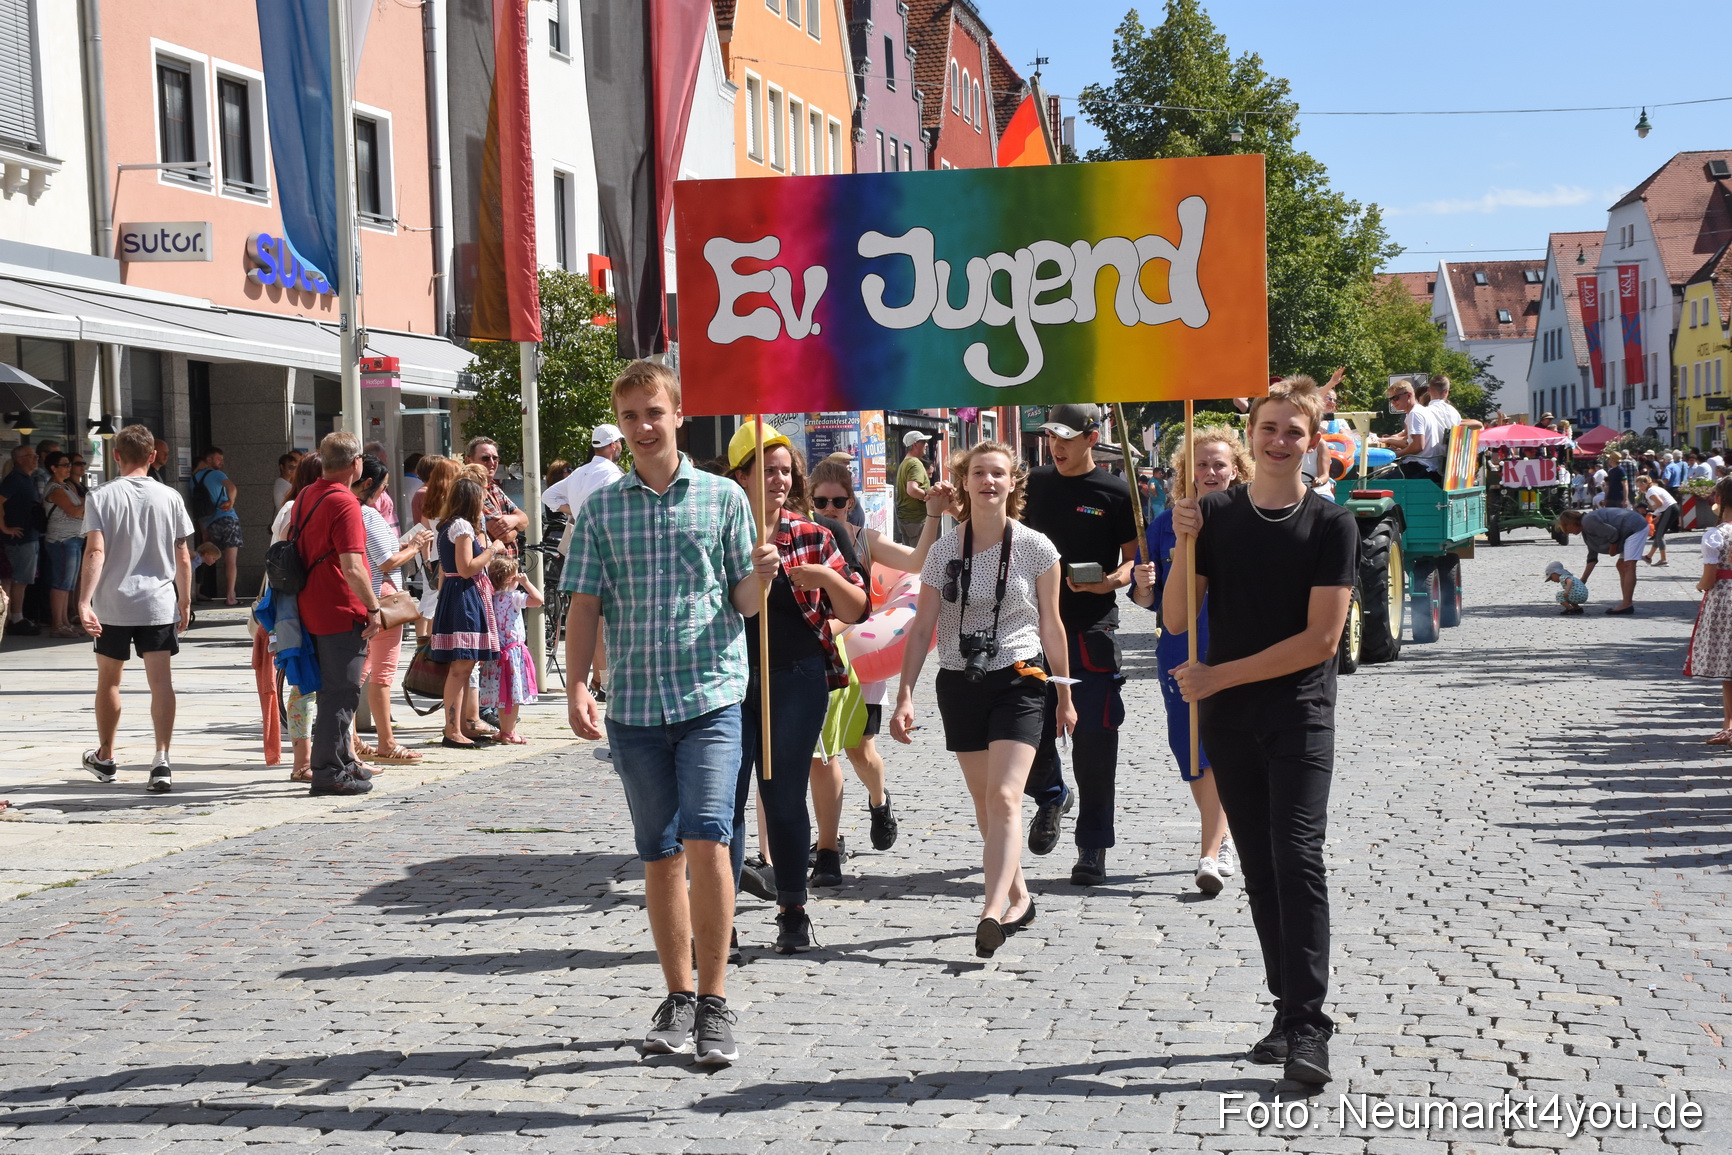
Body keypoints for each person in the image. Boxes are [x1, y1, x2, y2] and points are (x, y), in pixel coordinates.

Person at [562, 360, 777, 1066]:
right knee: (658, 851)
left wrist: (762, 577)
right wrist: (575, 687)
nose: (643, 427)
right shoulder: (602, 509)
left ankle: (714, 1000)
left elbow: (743, 604)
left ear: (678, 414)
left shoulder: (722, 499)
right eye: (630, 417)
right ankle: (677, 993)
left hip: (711, 696)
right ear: (619, 427)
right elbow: (585, 605)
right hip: (637, 708)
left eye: (654, 412)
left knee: (709, 839)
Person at [1163, 377, 1357, 1087]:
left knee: (1297, 855)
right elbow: (1178, 620)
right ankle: (1286, 1008)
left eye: (1293, 431)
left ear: (1312, 441)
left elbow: (1321, 640)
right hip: (1230, 720)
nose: (1279, 441)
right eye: (1269, 428)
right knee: (1258, 867)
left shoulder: (1331, 523)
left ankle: (1309, 1024)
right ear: (1253, 435)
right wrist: (1185, 541)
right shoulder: (1213, 513)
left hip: (1298, 711)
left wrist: (1220, 676)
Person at [891, 440, 1072, 959]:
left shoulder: (1037, 547)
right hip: (959, 682)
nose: (988, 481)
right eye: (978, 474)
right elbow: (922, 623)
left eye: (998, 473)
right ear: (963, 483)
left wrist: (1063, 693)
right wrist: (905, 694)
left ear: (1013, 482)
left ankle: (990, 911)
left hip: (1020, 677)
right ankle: (1019, 896)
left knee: (1007, 797)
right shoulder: (945, 550)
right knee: (983, 801)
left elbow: (1052, 624)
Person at [726, 422, 868, 951]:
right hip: (729, 681)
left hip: (797, 678)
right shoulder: (721, 531)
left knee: (783, 795)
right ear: (740, 475)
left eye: (786, 471)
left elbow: (857, 607)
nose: (779, 480)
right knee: (724, 801)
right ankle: (724, 924)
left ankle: (792, 910)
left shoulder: (812, 535)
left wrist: (827, 579)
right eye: (766, 471)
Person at [802, 460, 953, 878]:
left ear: (850, 503)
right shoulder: (800, 538)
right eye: (820, 501)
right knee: (818, 753)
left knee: (859, 751)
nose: (829, 508)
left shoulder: (863, 541)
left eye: (838, 501)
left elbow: (918, 559)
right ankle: (825, 842)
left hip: (861, 653)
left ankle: (878, 798)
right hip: (812, 656)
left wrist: (933, 515)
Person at [1131, 426, 1256, 894]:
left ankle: (1212, 848)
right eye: (1200, 464)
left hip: (1231, 651)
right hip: (1178, 651)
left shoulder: (1248, 518)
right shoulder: (1165, 524)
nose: (1210, 472)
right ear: (1187, 472)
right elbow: (1151, 603)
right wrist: (1143, 584)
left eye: (1219, 464)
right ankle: (1222, 835)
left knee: (1217, 749)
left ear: (1236, 469)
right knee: (1190, 751)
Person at [1019, 404, 1138, 885]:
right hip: (1027, 628)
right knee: (1023, 733)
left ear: (1093, 438)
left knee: (1093, 741)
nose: (1057, 446)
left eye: (1067, 437)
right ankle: (1051, 796)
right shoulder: (1034, 486)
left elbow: (1133, 561)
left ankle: (1092, 846)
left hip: (1091, 629)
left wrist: (1107, 581)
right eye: (1051, 436)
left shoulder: (1114, 491)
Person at [76, 424, 195, 793]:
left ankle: (107, 756)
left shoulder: (100, 495)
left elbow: (96, 550)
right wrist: (185, 598)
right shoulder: (170, 497)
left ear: (116, 455)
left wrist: (83, 600)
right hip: (158, 602)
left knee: (109, 680)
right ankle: (161, 759)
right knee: (161, 682)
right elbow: (183, 555)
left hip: (112, 603)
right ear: (153, 456)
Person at [293, 431, 388, 796]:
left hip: (311, 605)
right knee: (340, 691)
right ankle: (329, 772)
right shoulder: (345, 503)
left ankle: (343, 761)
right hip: (339, 608)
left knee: (335, 690)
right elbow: (352, 566)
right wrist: (373, 607)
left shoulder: (306, 494)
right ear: (356, 464)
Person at [353, 454, 433, 765]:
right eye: (384, 487)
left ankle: (353, 738)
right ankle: (386, 741)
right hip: (383, 598)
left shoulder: (347, 511)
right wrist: (414, 547)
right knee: (381, 672)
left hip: (362, 595)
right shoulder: (368, 515)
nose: (385, 494)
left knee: (360, 671)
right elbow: (385, 562)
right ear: (370, 484)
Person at [429, 475, 502, 748]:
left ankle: (459, 726)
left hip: (457, 594)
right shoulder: (461, 526)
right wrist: (493, 549)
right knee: (461, 666)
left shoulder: (449, 524)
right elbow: (466, 567)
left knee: (464, 665)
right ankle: (452, 730)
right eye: (482, 498)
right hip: (464, 595)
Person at [480, 553, 542, 744]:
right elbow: (538, 600)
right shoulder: (514, 597)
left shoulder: (489, 598)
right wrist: (526, 583)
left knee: (501, 694)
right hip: (513, 653)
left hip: (496, 653)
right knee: (513, 696)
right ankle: (510, 732)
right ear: (510, 579)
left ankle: (504, 730)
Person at [1688, 477, 1732, 743]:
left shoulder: (1716, 535)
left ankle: (1729, 725)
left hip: (1725, 601)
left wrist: (1699, 586)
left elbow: (1708, 579)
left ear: (1719, 499)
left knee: (1728, 668)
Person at [1555, 505, 1648, 614]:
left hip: (1635, 526)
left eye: (1566, 528)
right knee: (1621, 565)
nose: (1566, 532)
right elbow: (1592, 558)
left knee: (1628, 565)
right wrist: (1582, 581)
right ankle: (1626, 603)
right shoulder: (1586, 530)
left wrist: (1613, 550)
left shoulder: (1588, 521)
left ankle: (1627, 604)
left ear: (1570, 522)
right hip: (1628, 530)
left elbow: (1612, 533)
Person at [40, 451, 86, 637]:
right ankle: (57, 624)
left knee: (68, 582)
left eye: (69, 465)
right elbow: (74, 511)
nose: (69, 468)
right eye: (65, 465)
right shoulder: (55, 489)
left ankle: (65, 621)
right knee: (61, 582)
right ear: (53, 468)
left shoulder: (66, 487)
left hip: (73, 539)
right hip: (61, 540)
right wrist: (91, 503)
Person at [190, 446, 242, 605]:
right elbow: (231, 487)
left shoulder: (193, 479)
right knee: (230, 559)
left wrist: (203, 528)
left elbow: (197, 505)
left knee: (203, 556)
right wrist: (231, 501)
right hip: (227, 519)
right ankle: (230, 597)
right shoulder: (217, 474)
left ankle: (196, 590)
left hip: (207, 522)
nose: (221, 462)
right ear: (209, 459)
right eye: (218, 459)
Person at [464, 437, 527, 561]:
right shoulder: (471, 491)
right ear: (468, 461)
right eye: (485, 458)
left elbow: (525, 520)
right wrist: (516, 527)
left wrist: (513, 519)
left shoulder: (493, 487)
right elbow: (505, 536)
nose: (492, 462)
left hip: (507, 568)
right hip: (490, 569)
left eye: (495, 458)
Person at [1, 443, 42, 635]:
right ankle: (15, 617)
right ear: (19, 459)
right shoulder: (14, 479)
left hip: (29, 535)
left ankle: (15, 615)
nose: (35, 458)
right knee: (19, 579)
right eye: (30, 455)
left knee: (22, 579)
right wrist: (4, 526)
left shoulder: (27, 479)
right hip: (19, 538)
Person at [1380, 380, 1442, 480]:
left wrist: (1395, 454)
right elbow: (1413, 443)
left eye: (1395, 398)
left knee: (1374, 485)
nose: (1393, 402)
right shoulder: (1421, 410)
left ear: (1409, 395)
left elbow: (1418, 446)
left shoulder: (1415, 414)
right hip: (1428, 467)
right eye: (1390, 399)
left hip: (1421, 468)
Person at [894, 430, 932, 545]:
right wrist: (927, 496)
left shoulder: (904, 463)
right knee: (921, 557)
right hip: (916, 520)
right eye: (924, 442)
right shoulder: (915, 463)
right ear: (915, 444)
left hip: (906, 519)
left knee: (910, 555)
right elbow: (912, 490)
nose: (926, 444)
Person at [1636, 474, 1678, 566]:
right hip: (1670, 509)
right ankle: (1648, 557)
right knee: (1659, 533)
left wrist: (1652, 508)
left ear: (1645, 484)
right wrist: (1658, 516)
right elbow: (1664, 504)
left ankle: (1663, 560)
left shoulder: (1650, 492)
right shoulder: (1655, 488)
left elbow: (1660, 503)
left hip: (1669, 510)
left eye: (1640, 485)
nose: (1640, 488)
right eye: (1638, 486)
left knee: (1659, 535)